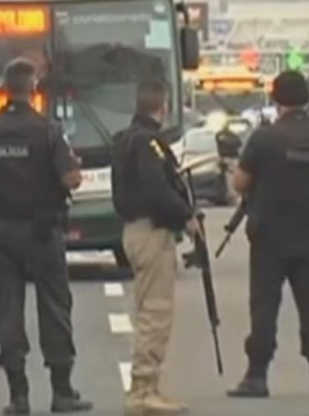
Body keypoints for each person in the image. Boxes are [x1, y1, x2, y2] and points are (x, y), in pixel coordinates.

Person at [0, 58, 92, 414]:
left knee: (8, 310)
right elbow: (71, 180)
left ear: (5, 87)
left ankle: (18, 395)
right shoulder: (47, 130)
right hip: (42, 231)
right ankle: (62, 392)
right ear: (34, 88)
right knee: (54, 308)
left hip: (2, 230)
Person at [226, 70, 309, 399]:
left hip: (269, 236)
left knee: (264, 307)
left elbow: (240, 183)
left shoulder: (264, 138)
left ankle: (257, 376)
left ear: (276, 99)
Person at [111, 79, 199, 414]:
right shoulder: (150, 143)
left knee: (149, 309)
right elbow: (157, 189)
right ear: (163, 106)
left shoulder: (125, 139)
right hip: (151, 231)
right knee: (155, 313)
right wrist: (186, 217)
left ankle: (147, 386)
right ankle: (143, 390)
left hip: (135, 230)